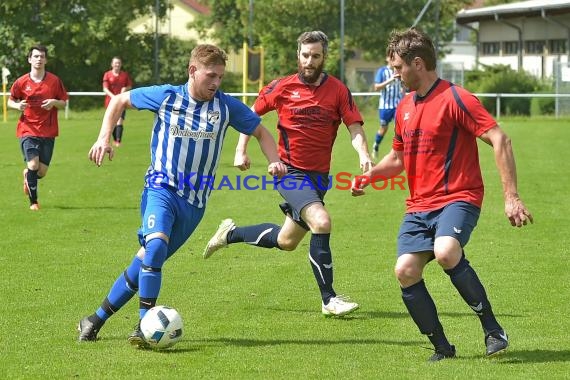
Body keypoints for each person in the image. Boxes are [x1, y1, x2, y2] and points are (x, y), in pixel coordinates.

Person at [78, 44, 287, 346]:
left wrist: (273, 160)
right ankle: (144, 325)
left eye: (220, 77)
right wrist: (103, 137)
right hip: (161, 188)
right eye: (210, 75)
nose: (216, 83)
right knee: (155, 249)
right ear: (193, 71)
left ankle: (95, 319)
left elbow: (261, 132)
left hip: (195, 204)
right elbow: (120, 100)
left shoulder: (225, 106)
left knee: (146, 261)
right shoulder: (167, 97)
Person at [351, 28, 533, 361]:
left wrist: (512, 196)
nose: (395, 76)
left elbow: (500, 139)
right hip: (419, 206)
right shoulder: (404, 107)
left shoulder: (456, 98)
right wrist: (370, 176)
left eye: (397, 69)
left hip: (458, 197)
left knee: (446, 250)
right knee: (405, 271)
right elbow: (398, 159)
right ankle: (442, 348)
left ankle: (493, 329)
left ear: (417, 63)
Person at [203, 31, 374, 317]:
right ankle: (329, 299)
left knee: (287, 241)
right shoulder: (282, 87)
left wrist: (364, 154)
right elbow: (250, 117)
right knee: (321, 220)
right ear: (298, 55)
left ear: (323, 57)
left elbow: (354, 127)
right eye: (305, 55)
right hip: (289, 172)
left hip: (318, 179)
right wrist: (240, 150)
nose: (309, 61)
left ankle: (229, 234)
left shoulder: (338, 90)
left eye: (315, 56)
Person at [7, 45, 69, 211]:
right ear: (29, 59)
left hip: (48, 131)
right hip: (27, 129)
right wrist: (17, 106)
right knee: (33, 165)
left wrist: (54, 102)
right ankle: (34, 202)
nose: (39, 59)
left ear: (46, 60)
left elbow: (63, 102)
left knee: (40, 172)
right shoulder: (21, 82)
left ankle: (28, 175)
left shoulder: (54, 81)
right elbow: (10, 101)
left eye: (42, 56)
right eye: (35, 56)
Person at [371, 56, 404, 160]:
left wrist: (403, 94)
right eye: (391, 57)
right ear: (387, 58)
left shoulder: (400, 70)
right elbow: (376, 87)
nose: (393, 59)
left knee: (399, 128)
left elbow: (403, 86)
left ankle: (397, 152)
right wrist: (390, 80)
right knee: (383, 128)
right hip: (385, 106)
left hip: (398, 105)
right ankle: (376, 145)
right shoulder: (382, 71)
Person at [102, 56, 133, 147]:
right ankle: (114, 139)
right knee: (112, 121)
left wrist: (125, 88)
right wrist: (114, 97)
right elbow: (105, 89)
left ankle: (118, 141)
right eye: (116, 63)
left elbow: (129, 86)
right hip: (110, 102)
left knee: (120, 120)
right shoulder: (107, 75)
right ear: (112, 64)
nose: (117, 65)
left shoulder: (124, 75)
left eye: (119, 63)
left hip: (122, 102)